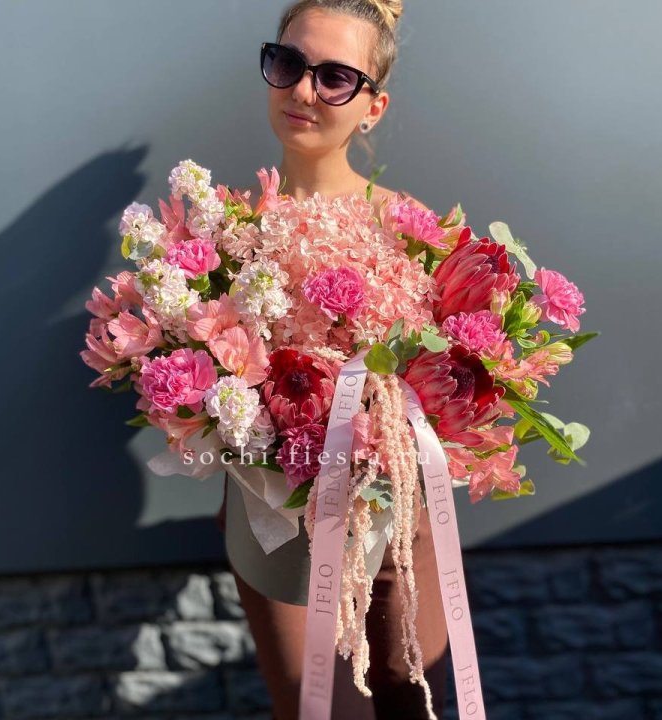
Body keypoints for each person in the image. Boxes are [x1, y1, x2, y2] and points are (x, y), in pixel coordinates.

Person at [215, 2, 449, 718]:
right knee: (321, 712)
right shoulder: (226, 237)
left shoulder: (411, 229)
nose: (302, 90)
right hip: (278, 526)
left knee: (415, 702)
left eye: (335, 77)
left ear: (373, 106)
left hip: (396, 521)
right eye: (288, 63)